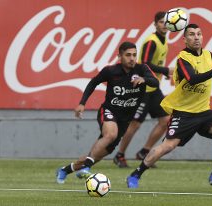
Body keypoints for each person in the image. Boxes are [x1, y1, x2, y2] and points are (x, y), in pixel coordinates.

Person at [126, 24, 212, 188]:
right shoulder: (183, 58)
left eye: (199, 34)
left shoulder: (208, 55)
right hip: (184, 113)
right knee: (168, 146)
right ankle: (136, 174)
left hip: (203, 110)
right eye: (191, 34)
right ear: (184, 39)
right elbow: (192, 78)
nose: (196, 37)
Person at [56, 41, 159, 184]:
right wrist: (82, 103)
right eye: (128, 55)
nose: (132, 58)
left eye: (134, 55)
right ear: (119, 56)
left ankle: (65, 170)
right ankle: (86, 167)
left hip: (125, 120)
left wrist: (144, 79)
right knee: (111, 134)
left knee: (98, 154)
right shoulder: (110, 71)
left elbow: (155, 82)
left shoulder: (142, 69)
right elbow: (93, 82)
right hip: (109, 111)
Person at [113, 11, 172, 168]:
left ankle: (144, 152)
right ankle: (119, 155)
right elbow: (145, 63)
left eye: (166, 22)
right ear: (155, 24)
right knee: (135, 124)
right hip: (143, 89)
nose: (164, 25)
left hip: (153, 88)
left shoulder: (163, 40)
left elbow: (154, 64)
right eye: (161, 22)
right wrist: (166, 70)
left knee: (166, 120)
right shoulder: (151, 41)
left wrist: (162, 73)